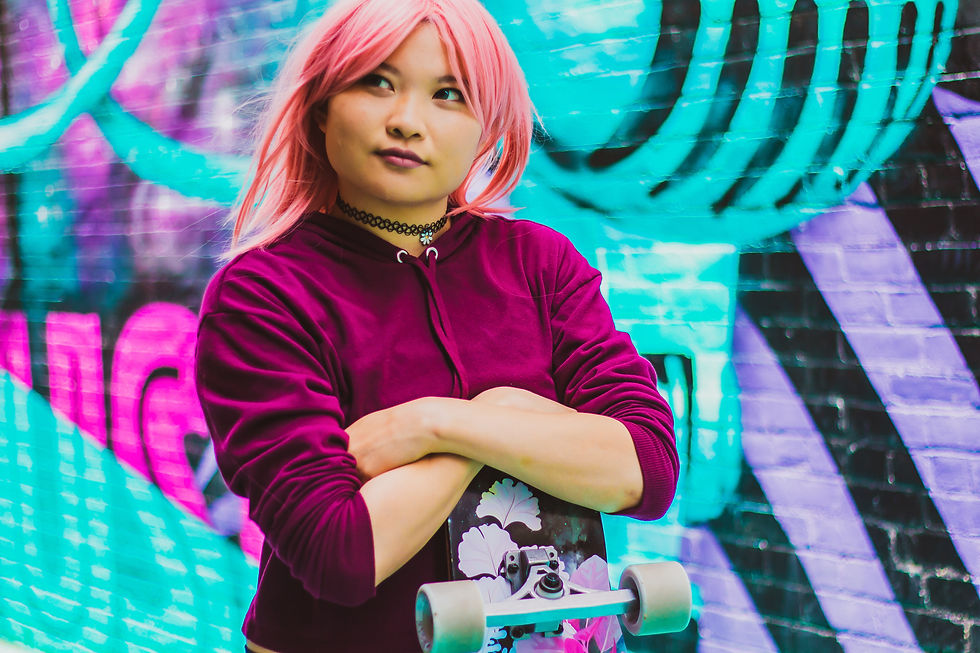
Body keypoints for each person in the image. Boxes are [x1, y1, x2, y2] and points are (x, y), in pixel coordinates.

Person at [193, 0, 679, 651]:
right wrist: (513, 424)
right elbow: (341, 551)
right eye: (376, 81)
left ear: (487, 127)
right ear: (320, 106)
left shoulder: (542, 263)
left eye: (449, 93)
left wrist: (441, 422)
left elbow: (645, 470)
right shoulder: (261, 295)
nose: (407, 121)